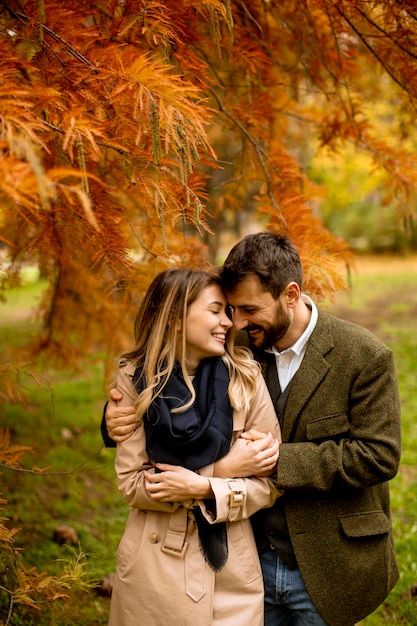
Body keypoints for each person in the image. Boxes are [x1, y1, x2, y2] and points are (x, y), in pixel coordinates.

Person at [103, 232, 401, 626]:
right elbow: (166, 379)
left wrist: (275, 459)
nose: (236, 322)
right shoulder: (234, 345)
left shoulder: (363, 356)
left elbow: (378, 455)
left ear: (290, 295)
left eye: (246, 309)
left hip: (328, 560)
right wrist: (114, 418)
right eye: (228, 309)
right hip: (251, 554)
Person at [107, 268, 282, 626]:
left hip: (230, 572)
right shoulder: (133, 380)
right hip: (152, 570)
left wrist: (202, 486)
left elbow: (270, 481)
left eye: (227, 312)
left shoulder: (245, 379)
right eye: (215, 311)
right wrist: (221, 470)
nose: (229, 324)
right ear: (174, 318)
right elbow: (132, 483)